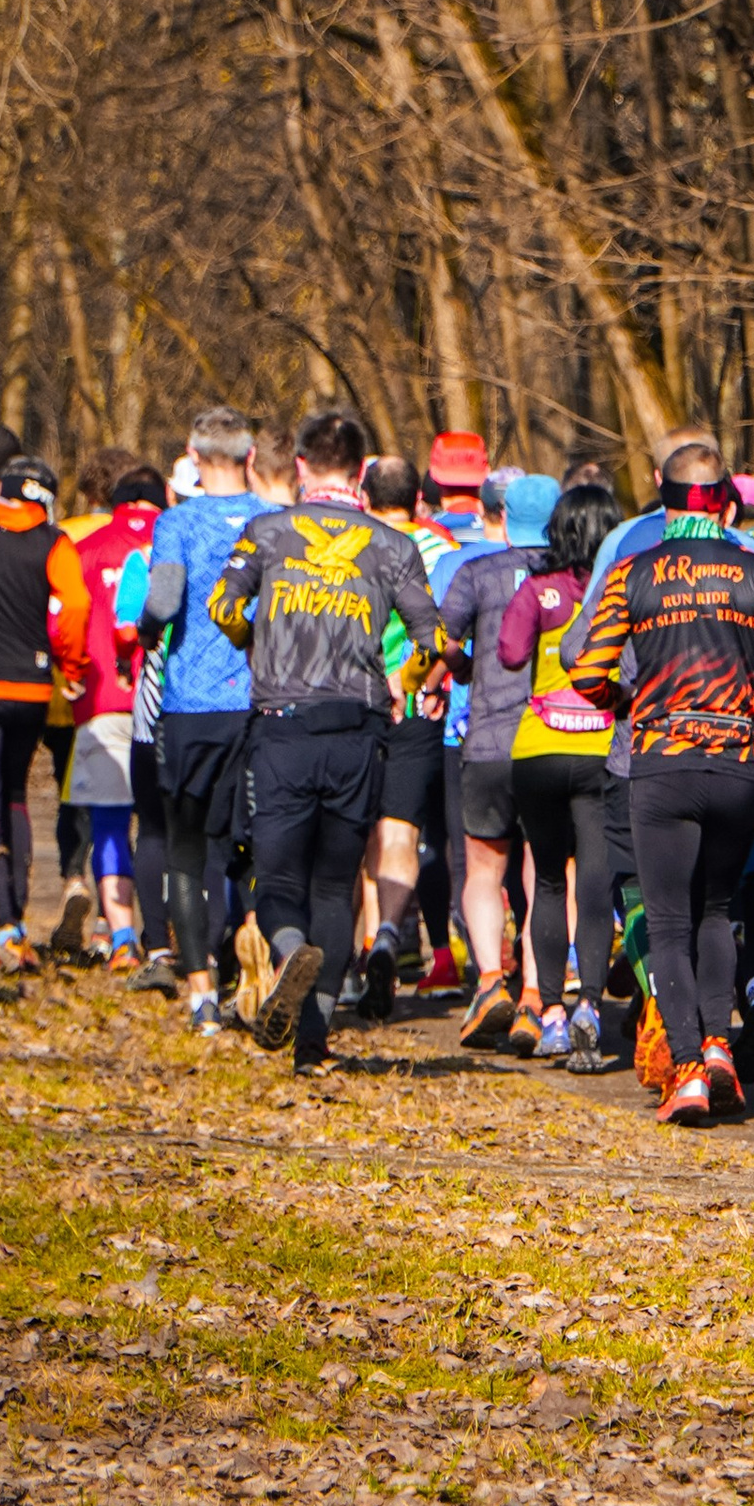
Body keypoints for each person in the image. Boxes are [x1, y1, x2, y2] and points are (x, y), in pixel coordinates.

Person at [567, 437, 754, 1123]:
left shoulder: (635, 569)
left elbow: (585, 669)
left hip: (660, 758)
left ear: (663, 498)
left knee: (667, 918)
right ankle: (721, 1043)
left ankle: (689, 1066)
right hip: (739, 759)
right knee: (719, 909)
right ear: (724, 498)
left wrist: (626, 706)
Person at [209, 409, 442, 1067]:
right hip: (358, 727)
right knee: (336, 886)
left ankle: (288, 952)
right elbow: (435, 640)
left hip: (282, 722)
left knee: (278, 879)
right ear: (363, 474)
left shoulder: (268, 530)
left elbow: (222, 606)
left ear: (302, 466)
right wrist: (405, 679)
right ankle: (313, 1042)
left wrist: (254, 644)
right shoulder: (395, 546)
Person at [138, 410, 265, 1034]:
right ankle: (258, 969)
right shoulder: (274, 522)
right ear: (250, 453)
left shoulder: (176, 523)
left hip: (191, 708)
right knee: (255, 847)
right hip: (260, 704)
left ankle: (201, 996)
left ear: (191, 453)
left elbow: (162, 602)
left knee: (187, 853)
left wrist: (145, 633)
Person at [497, 477, 624, 1066]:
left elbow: (509, 654)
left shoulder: (538, 589)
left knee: (548, 880)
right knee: (596, 885)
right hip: (601, 752)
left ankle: (548, 1013)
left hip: (538, 750)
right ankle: (590, 1007)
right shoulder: (620, 590)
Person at [436, 470, 559, 1039]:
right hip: (551, 742)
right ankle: (536, 993)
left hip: (486, 741)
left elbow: (441, 639)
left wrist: (451, 674)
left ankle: (489, 982)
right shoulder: (572, 577)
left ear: (504, 520)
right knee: (544, 875)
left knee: (484, 870)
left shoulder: (476, 572)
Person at [63, 461, 167, 967]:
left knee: (109, 821)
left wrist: (73, 675)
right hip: (169, 706)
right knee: (163, 825)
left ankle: (122, 938)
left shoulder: (85, 550)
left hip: (103, 701)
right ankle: (168, 938)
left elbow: (64, 618)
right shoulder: (178, 541)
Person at [362, 453, 454, 1008]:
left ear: (366, 501)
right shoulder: (442, 550)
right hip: (418, 706)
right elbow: (449, 630)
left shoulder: (350, 548)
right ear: (419, 500)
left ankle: (364, 948)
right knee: (400, 833)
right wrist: (425, 679)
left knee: (360, 836)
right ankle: (390, 936)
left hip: (359, 703)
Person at [0, 455, 88, 966]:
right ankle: (18, 919)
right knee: (14, 795)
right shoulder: (55, 543)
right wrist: (70, 667)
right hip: (30, 687)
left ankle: (4, 924)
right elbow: (74, 606)